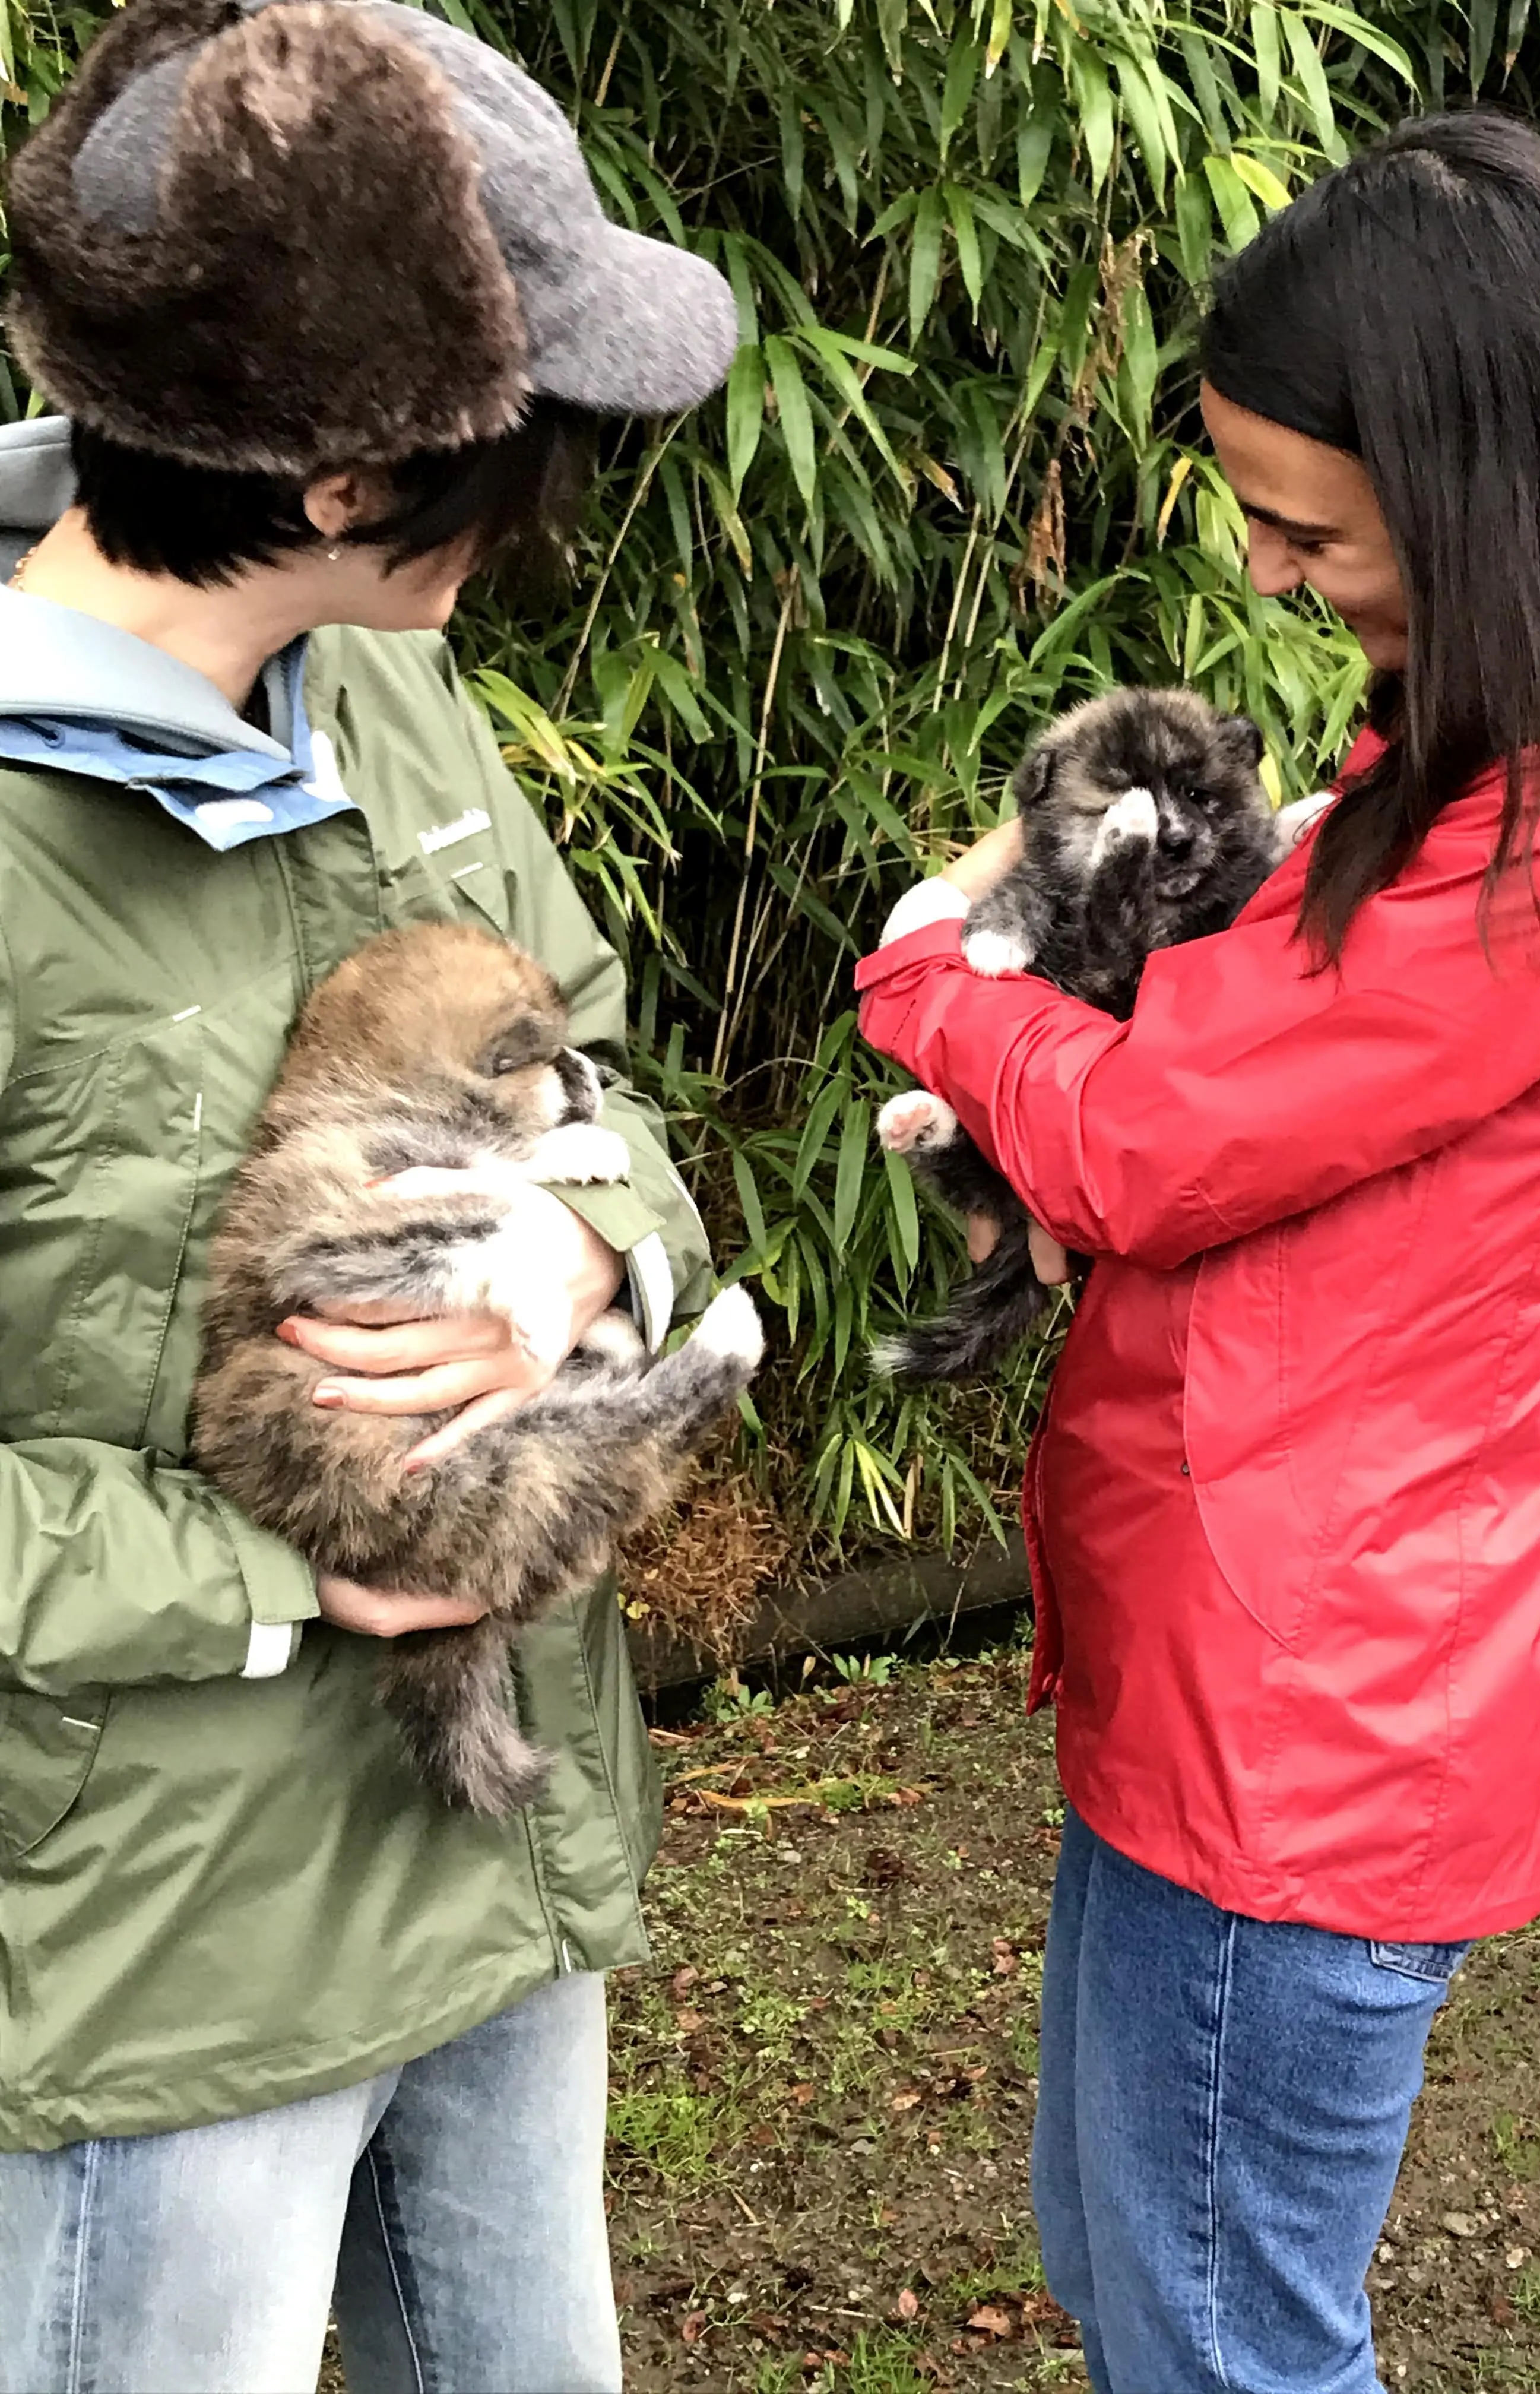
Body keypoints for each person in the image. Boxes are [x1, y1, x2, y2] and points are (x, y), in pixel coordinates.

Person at [858, 111, 1540, 2393]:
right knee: (1135, 2271)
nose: (1273, 578)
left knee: (1218, 2344)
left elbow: (1164, 1136)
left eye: (1308, 527)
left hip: (1322, 1692)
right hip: (1290, 1622)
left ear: (1479, 490)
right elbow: (1298, 1042)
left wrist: (938, 976)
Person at [0, 3, 738, 2388]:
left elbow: (598, 1070)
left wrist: (587, 1247)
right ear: (338, 479)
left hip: (488, 1860)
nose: (551, 513)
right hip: (166, 1961)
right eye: (530, 455)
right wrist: (271, 1572)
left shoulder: (380, 681)